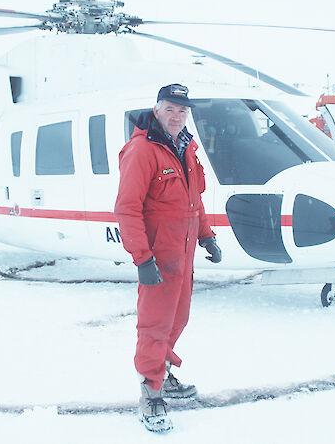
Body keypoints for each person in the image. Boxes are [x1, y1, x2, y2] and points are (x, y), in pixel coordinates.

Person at [114, 83, 222, 433]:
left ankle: (164, 373)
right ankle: (150, 394)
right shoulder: (142, 150)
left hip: (184, 256)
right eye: (170, 109)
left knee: (177, 320)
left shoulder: (185, 146)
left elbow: (194, 200)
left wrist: (206, 235)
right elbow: (127, 209)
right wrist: (142, 259)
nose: (177, 116)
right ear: (157, 109)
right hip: (159, 258)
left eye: (182, 110)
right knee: (155, 326)